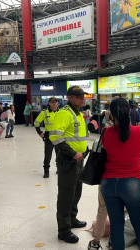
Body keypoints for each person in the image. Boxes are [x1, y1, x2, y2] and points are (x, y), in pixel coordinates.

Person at [101, 98, 140, 250]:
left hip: (109, 183)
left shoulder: (106, 132)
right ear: (129, 111)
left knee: (117, 227)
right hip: (132, 183)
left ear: (111, 114)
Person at [49, 86, 88, 243]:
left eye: (83, 96)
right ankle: (64, 230)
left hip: (79, 160)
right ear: (70, 97)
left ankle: (72, 218)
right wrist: (73, 153)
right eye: (79, 97)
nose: (83, 99)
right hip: (68, 161)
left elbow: (77, 137)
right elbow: (55, 137)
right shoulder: (64, 113)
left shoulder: (78, 114)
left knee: (76, 191)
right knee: (66, 195)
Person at [35, 97, 59, 178]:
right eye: (52, 102)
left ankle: (59, 169)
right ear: (49, 103)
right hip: (49, 137)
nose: (54, 103)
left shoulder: (62, 113)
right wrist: (40, 132)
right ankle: (46, 170)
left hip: (60, 137)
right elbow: (36, 122)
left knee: (60, 154)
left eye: (56, 102)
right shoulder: (44, 113)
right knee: (48, 155)